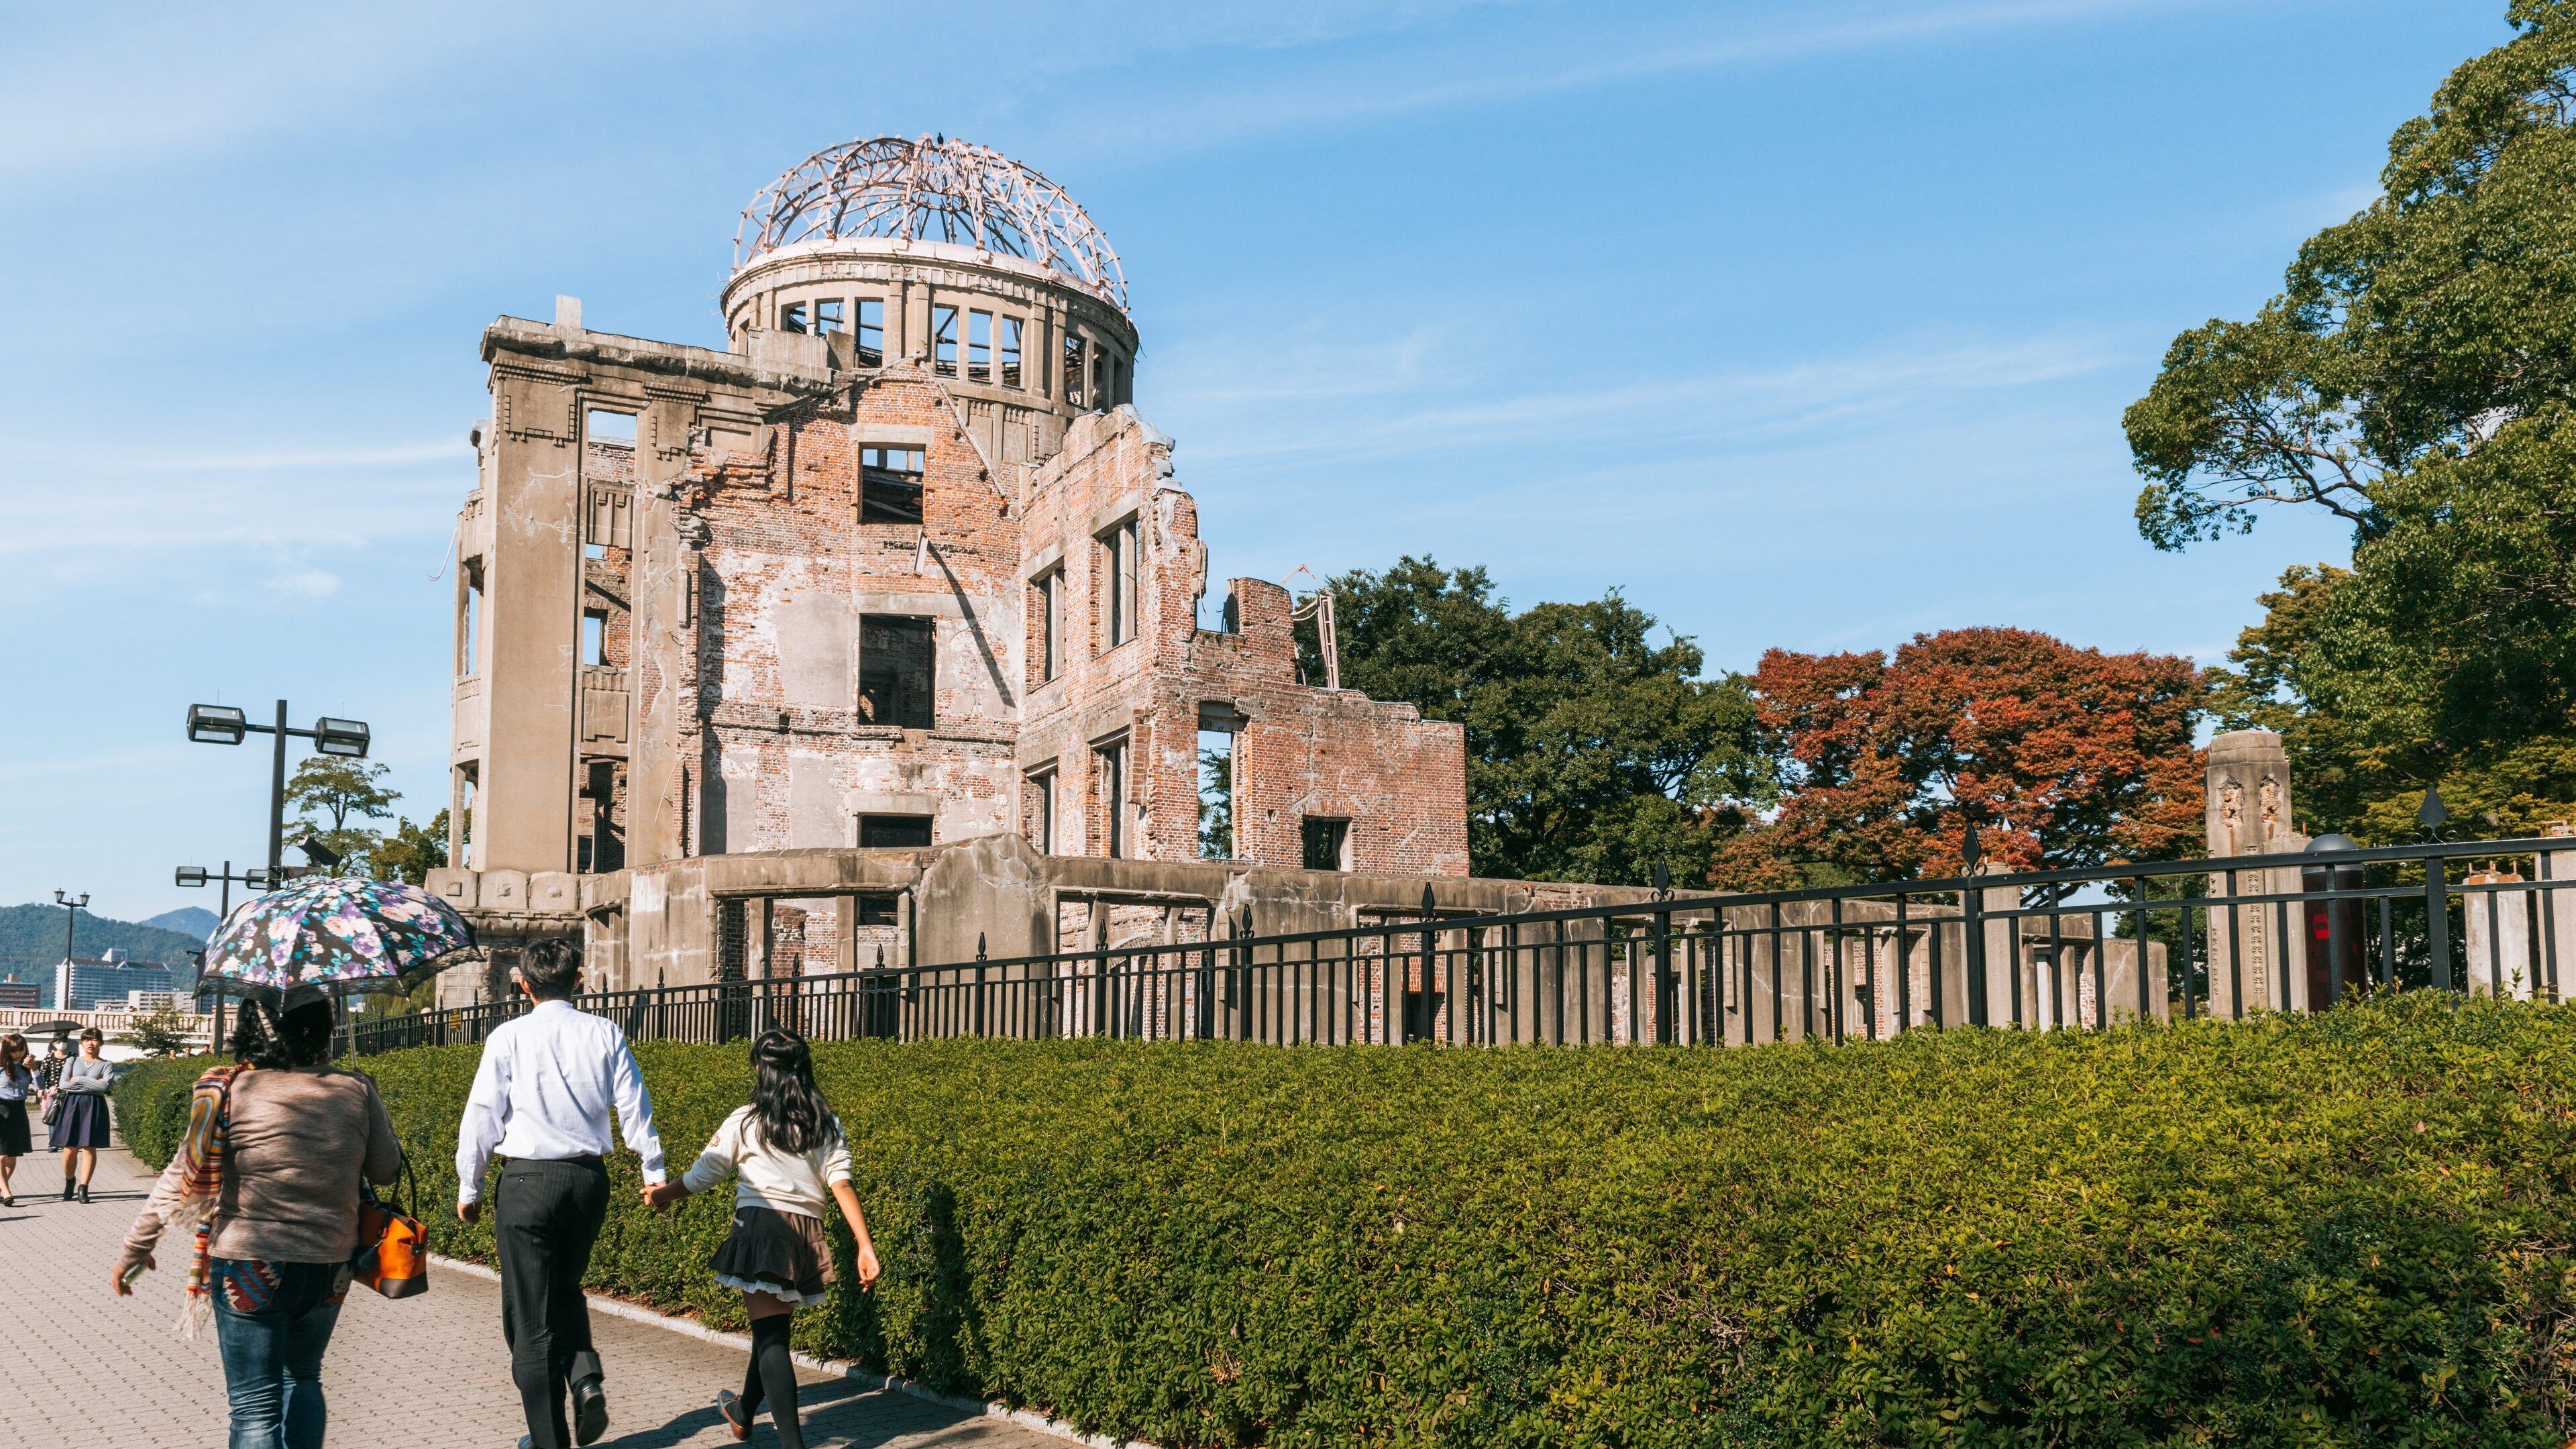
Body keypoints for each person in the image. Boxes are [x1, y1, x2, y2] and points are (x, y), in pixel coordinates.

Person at [116, 992, 400, 1449]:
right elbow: (386, 1171)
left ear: (250, 1029)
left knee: (253, 1406)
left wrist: (135, 1250)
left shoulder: (229, 1090)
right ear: (321, 1027)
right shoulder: (354, 1088)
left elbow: (179, 1179)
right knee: (304, 1378)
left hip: (249, 1264)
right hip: (330, 1265)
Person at [456, 940, 666, 1449]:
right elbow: (633, 1103)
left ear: (523, 984)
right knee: (565, 1286)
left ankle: (548, 1441)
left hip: (527, 1181)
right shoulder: (604, 1032)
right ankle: (585, 1376)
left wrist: (471, 1184)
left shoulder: (507, 1038)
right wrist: (653, 1168)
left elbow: (483, 1115)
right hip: (587, 1181)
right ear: (578, 980)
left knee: (528, 1320)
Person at [644, 1028, 879, 1449]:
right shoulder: (824, 1122)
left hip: (760, 1228)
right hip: (807, 1234)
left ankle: (792, 1446)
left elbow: (706, 1173)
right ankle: (742, 1412)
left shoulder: (747, 1119)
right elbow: (841, 1183)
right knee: (771, 1329)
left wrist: (662, 1195)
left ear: (761, 1069)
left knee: (772, 1338)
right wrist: (865, 1244)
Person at [54, 1027, 115, 1200]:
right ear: (82, 1042)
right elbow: (65, 1085)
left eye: (95, 1040)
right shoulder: (72, 1061)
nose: (91, 1043)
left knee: (89, 1147)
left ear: (101, 1043)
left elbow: (104, 1087)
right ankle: (70, 1180)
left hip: (94, 1106)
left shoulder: (107, 1064)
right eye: (87, 1039)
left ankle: (84, 1187)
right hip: (72, 1105)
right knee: (69, 1149)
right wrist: (94, 1083)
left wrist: (79, 1079)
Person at [0, 1033, 32, 1205]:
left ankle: (1, 1189)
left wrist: (34, 1069)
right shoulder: (1, 1067)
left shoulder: (27, 1068)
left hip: (19, 1110)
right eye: (14, 1051)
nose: (18, 1054)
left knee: (12, 1155)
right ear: (7, 1051)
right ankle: (6, 1192)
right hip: (1, 1108)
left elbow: (41, 1086)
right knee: (1, 1155)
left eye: (21, 1050)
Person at [34, 1038, 68, 1152]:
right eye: (58, 1042)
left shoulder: (73, 1056)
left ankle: (65, 1141)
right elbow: (43, 1073)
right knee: (53, 1116)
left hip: (68, 1091)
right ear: (54, 1044)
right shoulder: (50, 1057)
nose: (62, 1044)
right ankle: (53, 1144)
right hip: (53, 1092)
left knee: (67, 1118)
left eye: (64, 1041)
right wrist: (41, 1089)